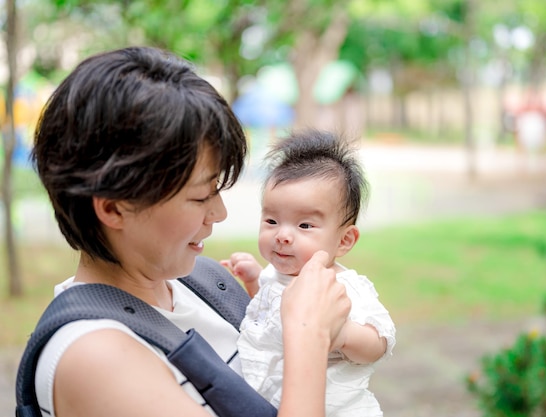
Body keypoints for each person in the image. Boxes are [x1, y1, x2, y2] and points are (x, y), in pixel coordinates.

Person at [26, 46, 351, 417]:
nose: (219, 213)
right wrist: (309, 335)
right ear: (114, 207)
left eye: (218, 190)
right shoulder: (96, 356)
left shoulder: (204, 283)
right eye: (200, 197)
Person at [221, 129, 396, 416]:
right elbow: (268, 314)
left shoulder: (343, 287)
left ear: (344, 240)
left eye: (304, 226)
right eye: (272, 220)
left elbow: (379, 342)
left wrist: (340, 333)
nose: (283, 235)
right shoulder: (274, 275)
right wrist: (253, 280)